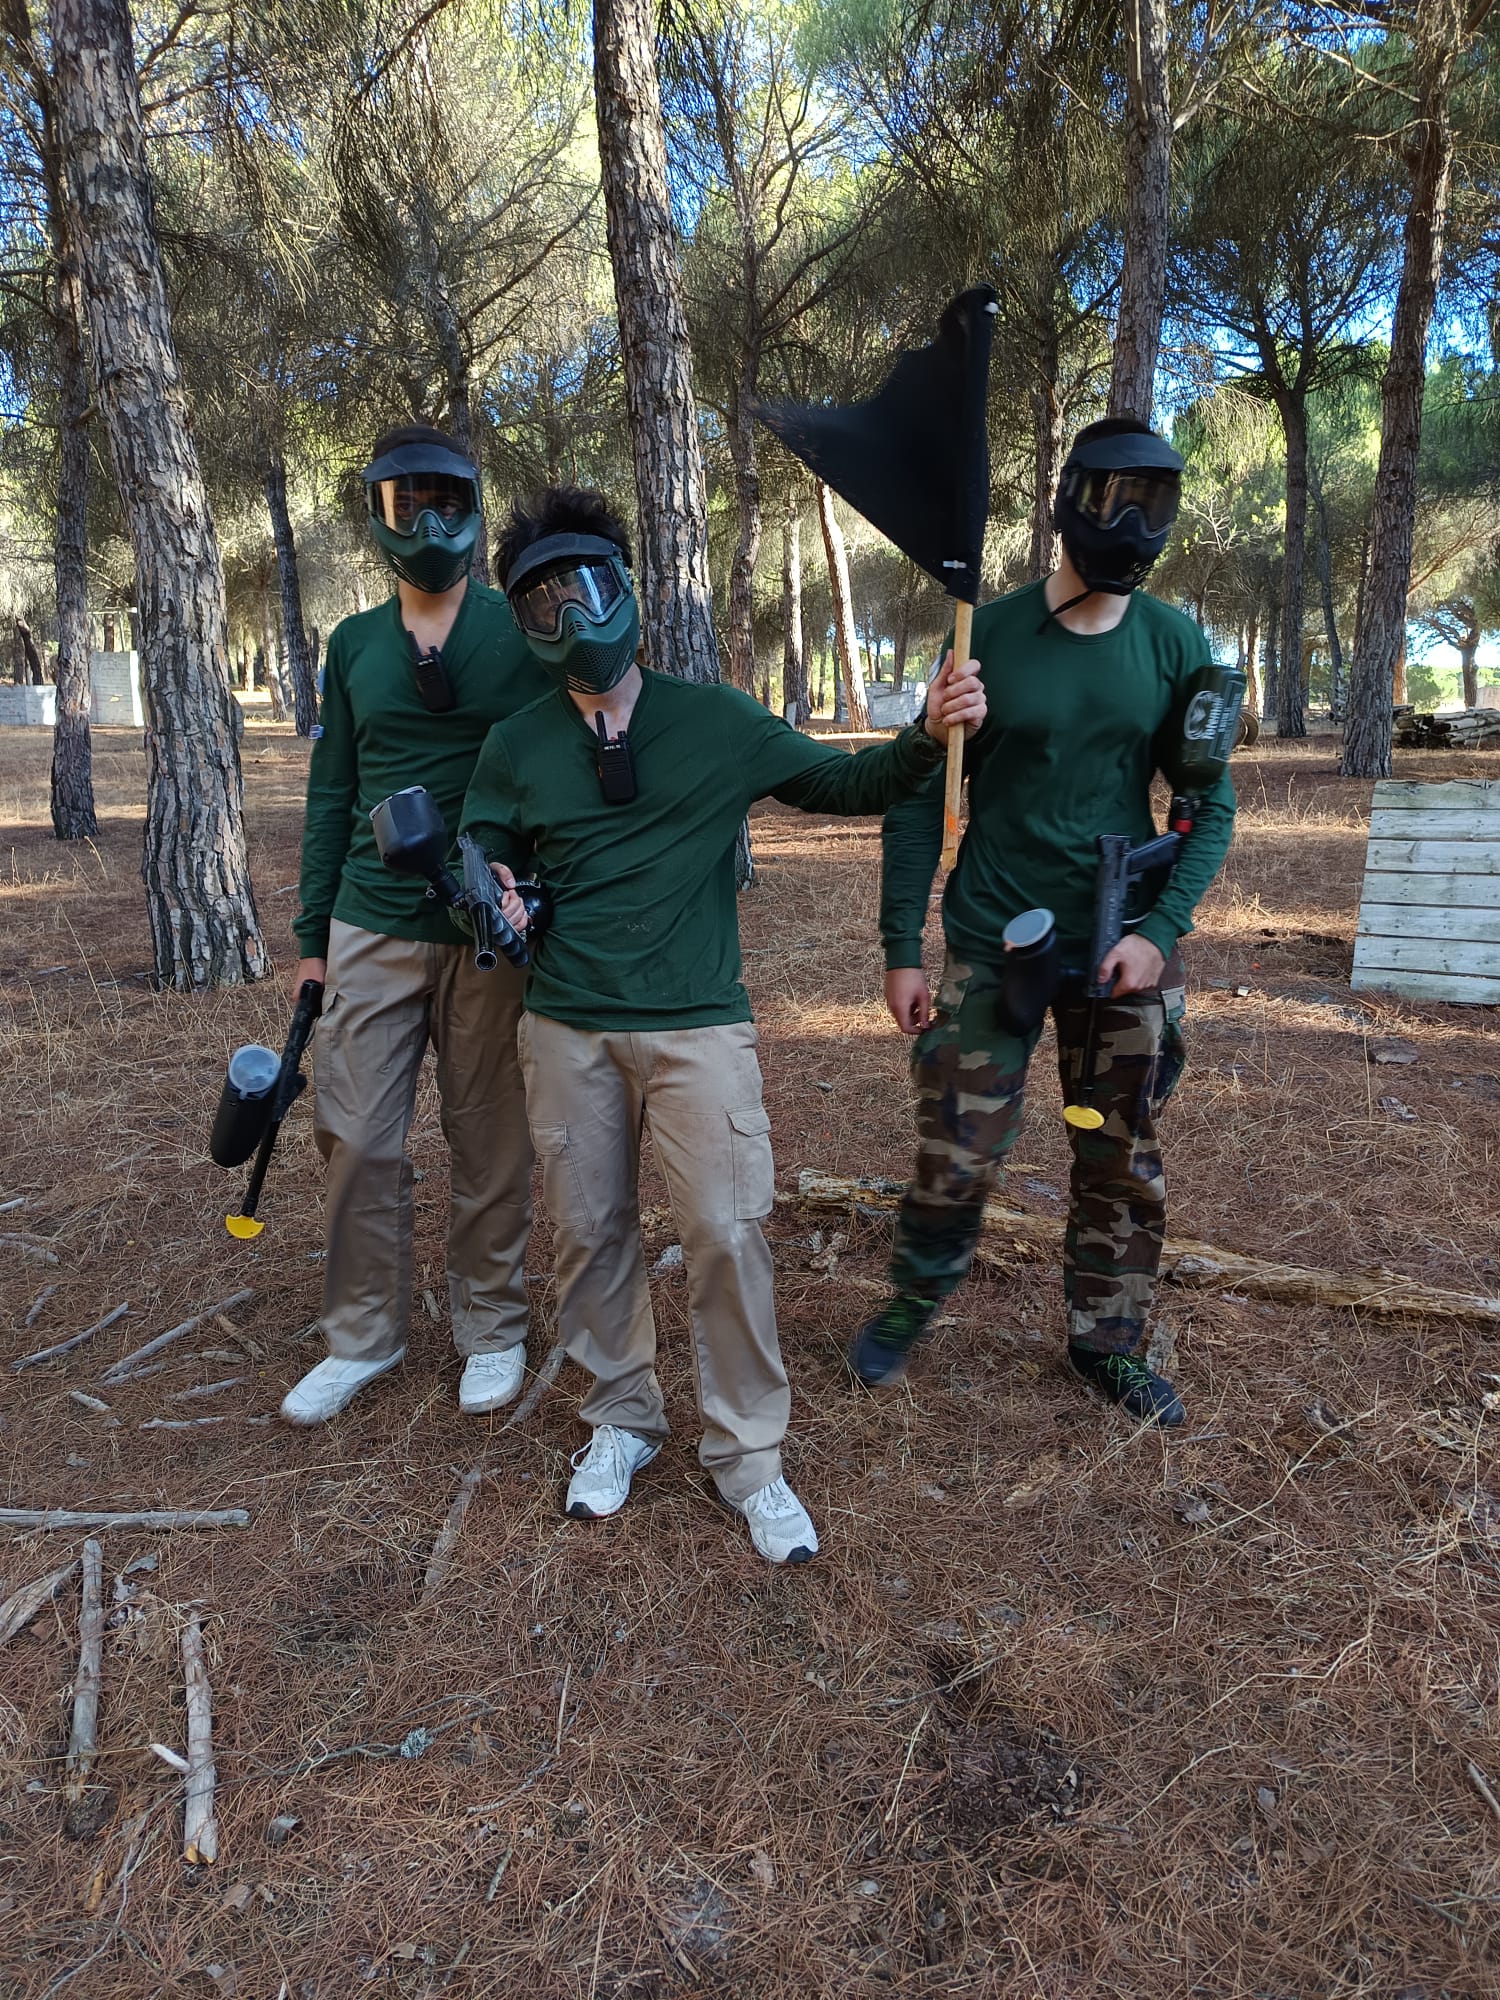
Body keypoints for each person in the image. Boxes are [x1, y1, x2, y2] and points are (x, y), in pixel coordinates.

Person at [460, 485, 986, 1562]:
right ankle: (620, 1420)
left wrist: (927, 731)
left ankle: (751, 1456)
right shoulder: (515, 741)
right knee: (590, 1234)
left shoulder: (718, 718)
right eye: (540, 608)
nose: (569, 620)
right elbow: (479, 848)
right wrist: (492, 886)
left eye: (586, 589)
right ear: (524, 628)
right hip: (564, 1028)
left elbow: (854, 784)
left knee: (727, 1233)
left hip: (699, 1027)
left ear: (629, 590)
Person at [848, 418, 1237, 1426]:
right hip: (993, 940)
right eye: (1118, 499)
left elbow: (1210, 804)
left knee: (1115, 1151)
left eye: (1156, 503)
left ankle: (1107, 1340)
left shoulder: (1173, 643)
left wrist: (1161, 928)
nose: (1136, 524)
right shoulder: (986, 634)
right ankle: (914, 1299)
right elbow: (910, 790)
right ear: (1073, 498)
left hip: (1120, 949)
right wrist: (901, 946)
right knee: (958, 1144)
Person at [281, 425, 556, 1426]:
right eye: (409, 504)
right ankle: (361, 1335)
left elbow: (555, 770)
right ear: (378, 514)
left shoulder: (521, 631)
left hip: (484, 923)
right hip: (371, 918)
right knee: (355, 1133)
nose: (431, 522)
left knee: (488, 1132)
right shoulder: (353, 645)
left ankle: (491, 1325)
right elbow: (332, 792)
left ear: (476, 506)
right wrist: (314, 937)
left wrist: (534, 885)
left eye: (448, 500)